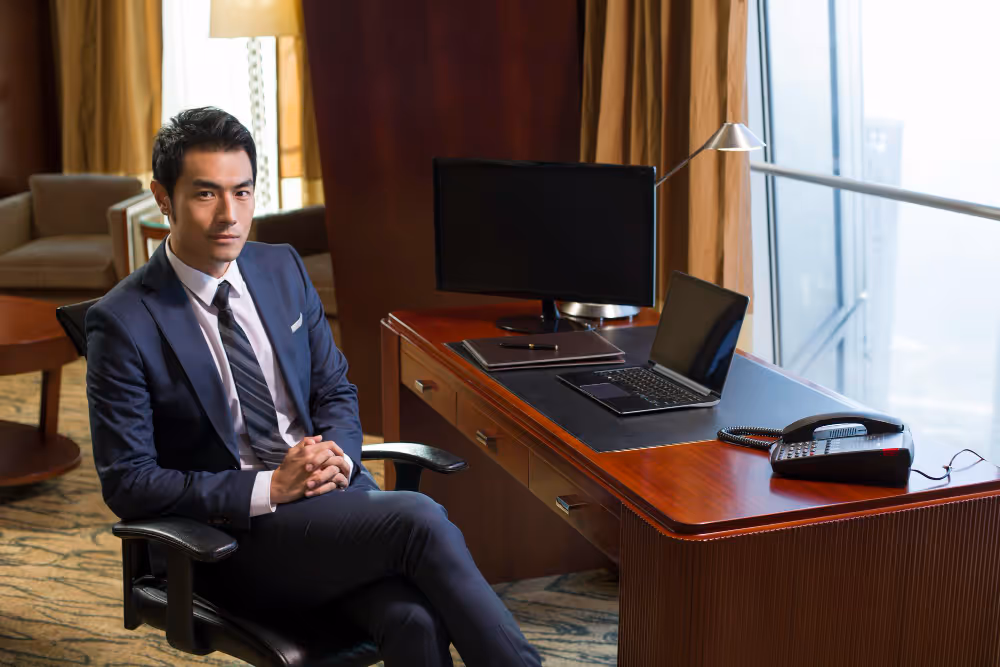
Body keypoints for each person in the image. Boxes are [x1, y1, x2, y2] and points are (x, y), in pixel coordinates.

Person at [85, 106, 541, 667]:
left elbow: (335, 392)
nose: (230, 215)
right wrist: (270, 488)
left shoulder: (281, 267)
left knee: (412, 619)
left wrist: (338, 460)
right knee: (418, 519)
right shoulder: (123, 320)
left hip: (331, 506)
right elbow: (130, 483)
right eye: (206, 195)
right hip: (231, 541)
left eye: (244, 192)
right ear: (162, 197)